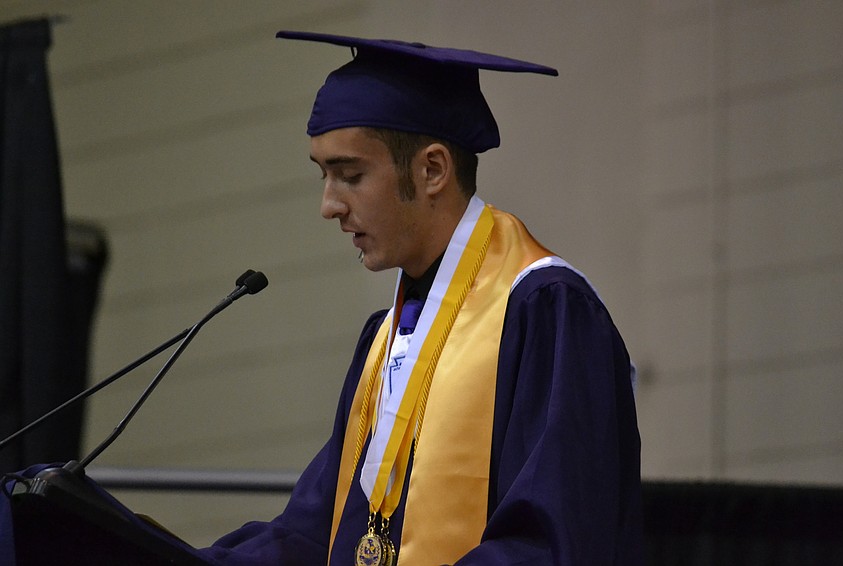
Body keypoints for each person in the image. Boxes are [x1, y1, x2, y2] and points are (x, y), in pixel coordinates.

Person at [199, 31, 643, 566]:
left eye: (350, 175)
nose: (329, 205)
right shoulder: (386, 339)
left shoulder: (544, 312)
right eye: (323, 176)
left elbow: (552, 543)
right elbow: (318, 533)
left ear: (432, 170)